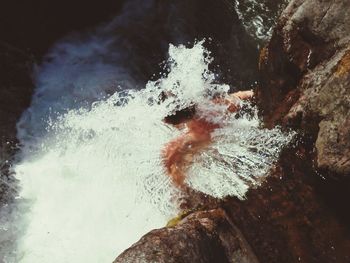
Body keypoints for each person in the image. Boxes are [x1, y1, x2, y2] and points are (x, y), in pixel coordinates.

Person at [162, 90, 253, 187]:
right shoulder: (213, 107)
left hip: (221, 154)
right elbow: (244, 95)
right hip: (235, 140)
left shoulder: (186, 141)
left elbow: (174, 176)